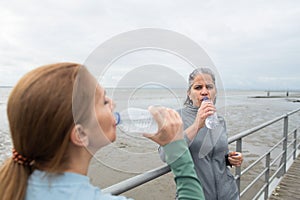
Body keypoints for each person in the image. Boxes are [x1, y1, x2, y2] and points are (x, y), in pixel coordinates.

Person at [0, 63, 205, 200]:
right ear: (80, 135)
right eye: (104, 101)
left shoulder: (13, 187)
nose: (113, 103)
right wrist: (176, 148)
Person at [159, 68, 243, 200]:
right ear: (189, 93)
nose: (204, 92)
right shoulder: (175, 117)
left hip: (229, 194)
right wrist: (197, 125)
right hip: (195, 196)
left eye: (209, 87)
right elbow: (165, 155)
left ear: (215, 91)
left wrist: (229, 159)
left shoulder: (220, 121)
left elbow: (214, 157)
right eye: (198, 87)